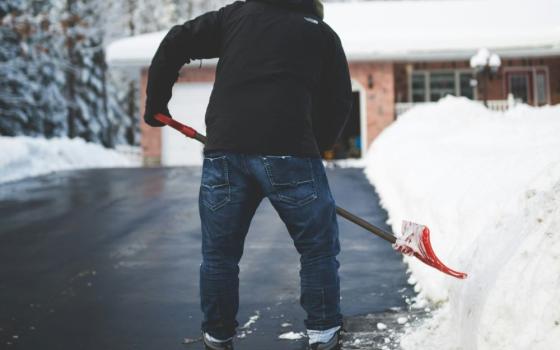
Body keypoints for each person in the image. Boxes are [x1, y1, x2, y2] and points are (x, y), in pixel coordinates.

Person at [144, 0, 352, 349]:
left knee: (219, 254)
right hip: (290, 151)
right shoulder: (321, 34)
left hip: (226, 150)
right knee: (317, 249)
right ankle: (323, 332)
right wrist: (316, 144)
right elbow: (339, 101)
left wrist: (156, 101)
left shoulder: (234, 17)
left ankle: (217, 334)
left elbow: (177, 39)